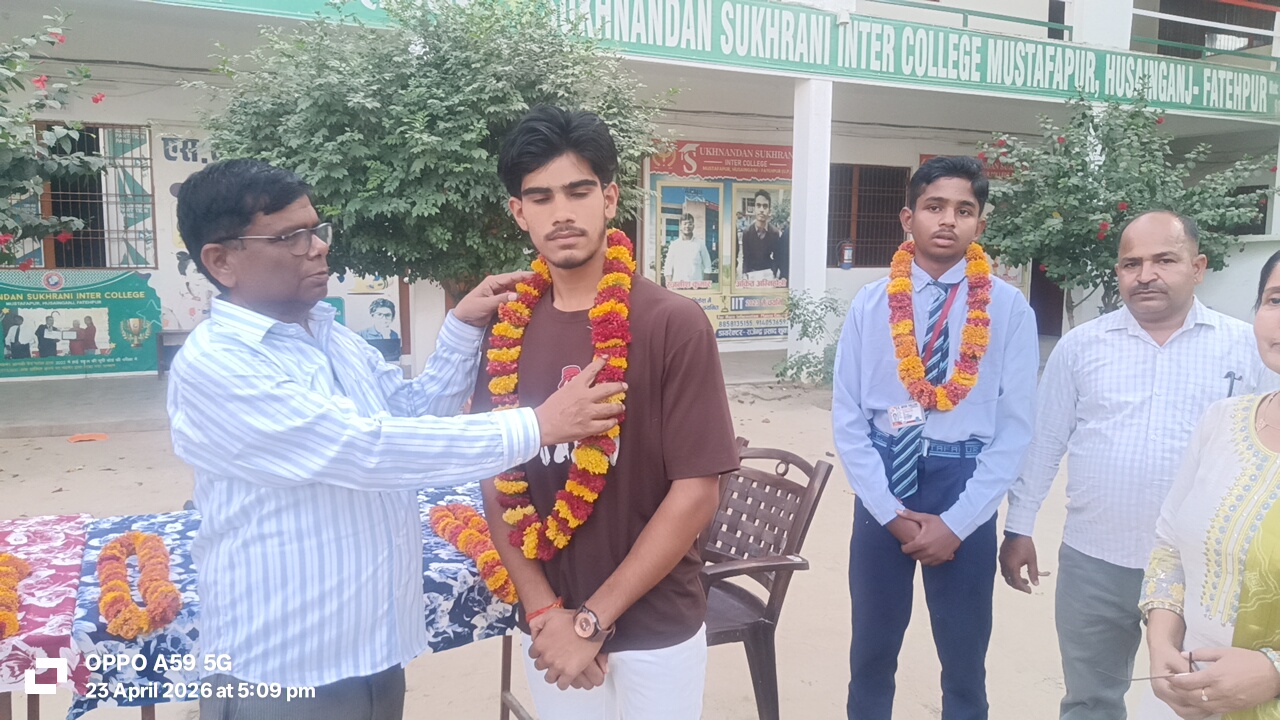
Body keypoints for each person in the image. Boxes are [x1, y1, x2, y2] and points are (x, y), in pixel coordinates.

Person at [168, 158, 624, 720]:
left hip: (371, 653)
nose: (318, 248)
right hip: (286, 666)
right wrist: (538, 426)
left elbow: (411, 410)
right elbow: (365, 449)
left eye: (317, 229)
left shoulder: (326, 335)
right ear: (221, 261)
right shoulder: (218, 365)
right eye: (290, 237)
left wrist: (462, 326)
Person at [475, 106, 738, 720]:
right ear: (518, 211)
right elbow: (494, 473)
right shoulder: (504, 329)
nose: (561, 212)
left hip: (655, 629)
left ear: (610, 198)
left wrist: (591, 621)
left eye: (578, 190)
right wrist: (545, 611)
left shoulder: (673, 324)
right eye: (540, 197)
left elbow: (696, 492)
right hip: (549, 626)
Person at [1001, 211, 1275, 720]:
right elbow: (1045, 443)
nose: (1145, 275)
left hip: (1203, 572)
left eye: (1164, 260)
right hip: (1096, 562)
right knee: (1090, 700)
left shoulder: (1248, 346)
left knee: (1198, 702)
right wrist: (1019, 527)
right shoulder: (1081, 347)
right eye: (1131, 264)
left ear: (1198, 267)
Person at [832, 155, 1039, 720]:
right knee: (871, 652)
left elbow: (1015, 426)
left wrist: (959, 522)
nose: (948, 220)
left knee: (965, 659)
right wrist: (887, 512)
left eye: (963, 210)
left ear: (980, 224)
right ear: (909, 217)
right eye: (934, 206)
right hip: (884, 478)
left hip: (964, 482)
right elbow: (848, 416)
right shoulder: (872, 304)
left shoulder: (1008, 308)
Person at [1138, 250, 1280, 720]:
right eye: (1276, 299)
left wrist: (1274, 672)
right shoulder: (1223, 421)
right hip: (1185, 693)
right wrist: (1161, 646)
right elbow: (1170, 547)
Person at [739, 190, 781, 280]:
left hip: (768, 275)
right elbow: (746, 258)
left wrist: (773, 274)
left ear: (769, 211)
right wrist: (744, 275)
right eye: (758, 205)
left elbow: (776, 258)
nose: (761, 210)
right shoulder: (747, 233)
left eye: (765, 206)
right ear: (754, 209)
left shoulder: (774, 233)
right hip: (752, 274)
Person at [662, 212, 713, 285]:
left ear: (693, 226)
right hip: (678, 286)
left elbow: (708, 266)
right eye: (685, 224)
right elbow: (668, 267)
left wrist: (704, 285)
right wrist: (670, 285)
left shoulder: (700, 244)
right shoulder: (674, 245)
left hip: (696, 287)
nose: (687, 226)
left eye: (690, 224)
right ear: (680, 226)